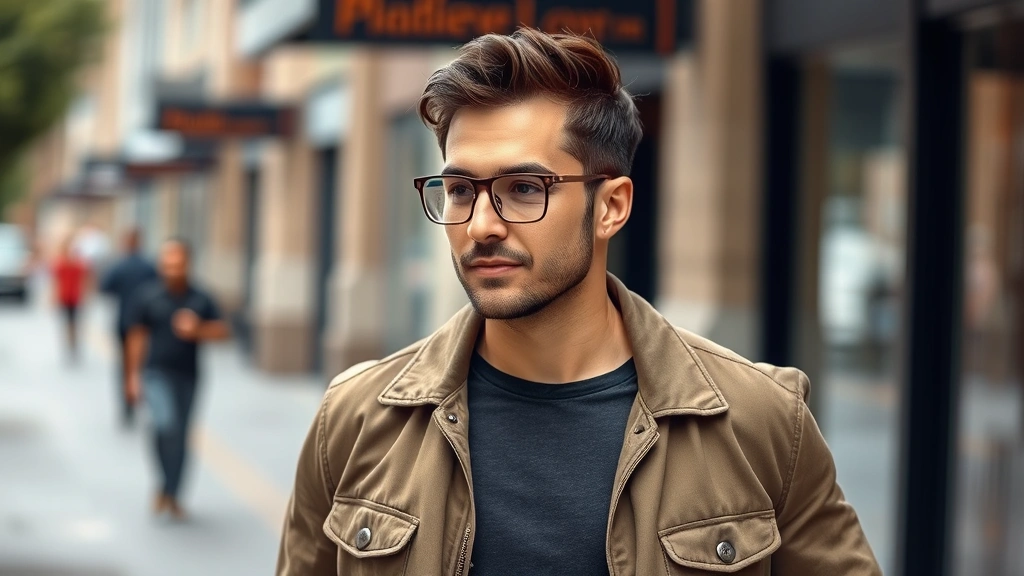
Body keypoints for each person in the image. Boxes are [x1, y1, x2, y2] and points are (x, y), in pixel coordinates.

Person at [277, 29, 882, 576]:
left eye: (523, 188)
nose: (481, 224)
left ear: (612, 206)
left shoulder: (759, 422)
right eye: (460, 189)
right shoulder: (356, 420)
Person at [125, 238, 229, 519]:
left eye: (177, 263)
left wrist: (198, 330)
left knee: (182, 436)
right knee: (164, 425)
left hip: (188, 376)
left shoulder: (200, 297)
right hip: (155, 373)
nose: (172, 268)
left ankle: (172, 493)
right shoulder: (147, 296)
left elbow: (222, 332)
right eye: (167, 263)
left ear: (188, 263)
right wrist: (132, 376)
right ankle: (165, 485)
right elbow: (136, 337)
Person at [100, 228, 158, 427]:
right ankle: (140, 398)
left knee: (124, 365)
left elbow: (105, 288)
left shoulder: (119, 266)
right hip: (146, 323)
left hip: (125, 322)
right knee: (143, 362)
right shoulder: (149, 266)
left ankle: (127, 402)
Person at [51, 236, 90, 363]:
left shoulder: (78, 262)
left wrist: (86, 294)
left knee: (74, 323)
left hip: (75, 296)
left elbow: (85, 279)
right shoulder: (61, 262)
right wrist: (53, 296)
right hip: (64, 296)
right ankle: (69, 345)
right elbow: (55, 281)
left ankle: (74, 345)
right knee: (67, 323)